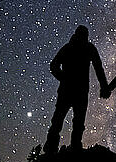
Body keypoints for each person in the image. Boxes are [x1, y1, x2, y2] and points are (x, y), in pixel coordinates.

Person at [43, 25, 109, 154]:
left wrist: (62, 78)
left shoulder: (68, 48)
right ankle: (72, 148)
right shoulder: (86, 48)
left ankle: (54, 147)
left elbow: (54, 65)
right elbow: (98, 68)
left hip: (70, 90)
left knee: (62, 120)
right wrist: (104, 86)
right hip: (78, 90)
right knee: (72, 121)